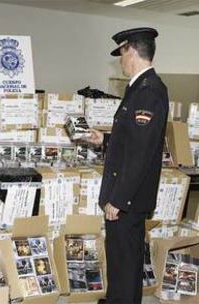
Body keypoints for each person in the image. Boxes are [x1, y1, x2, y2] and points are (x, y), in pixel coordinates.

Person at [84, 28, 169, 304]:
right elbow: (132, 138)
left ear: (130, 51)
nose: (120, 60)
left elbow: (140, 153)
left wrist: (118, 199)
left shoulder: (149, 90)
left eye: (121, 53)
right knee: (121, 262)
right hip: (128, 196)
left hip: (128, 198)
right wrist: (105, 139)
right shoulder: (140, 87)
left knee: (125, 262)